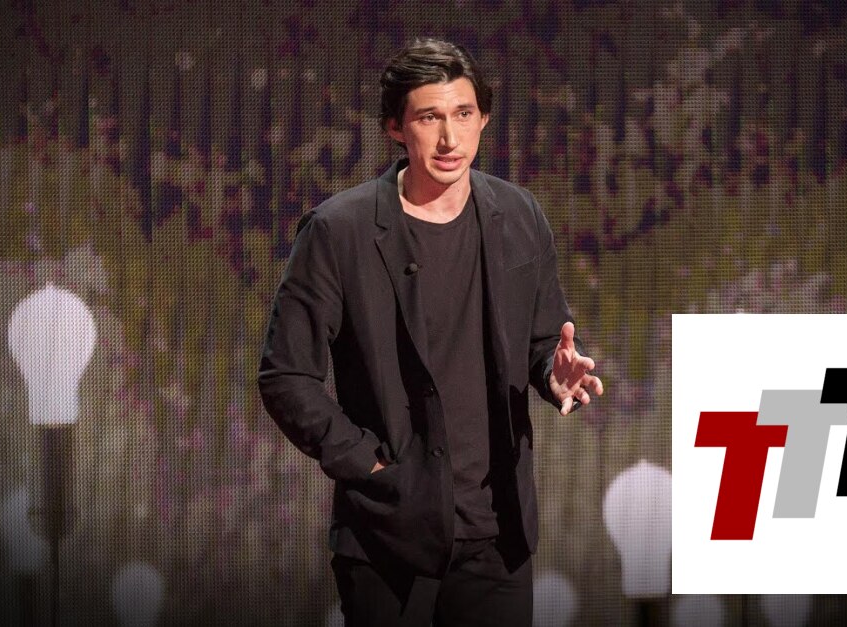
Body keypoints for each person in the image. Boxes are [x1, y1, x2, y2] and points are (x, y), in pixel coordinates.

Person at [258, 38, 603, 627]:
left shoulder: (520, 216)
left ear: (484, 118)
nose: (450, 138)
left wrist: (553, 372)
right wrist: (369, 466)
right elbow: (286, 376)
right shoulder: (339, 231)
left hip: (498, 534)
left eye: (463, 114)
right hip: (389, 536)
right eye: (429, 117)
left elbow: (544, 340)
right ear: (396, 127)